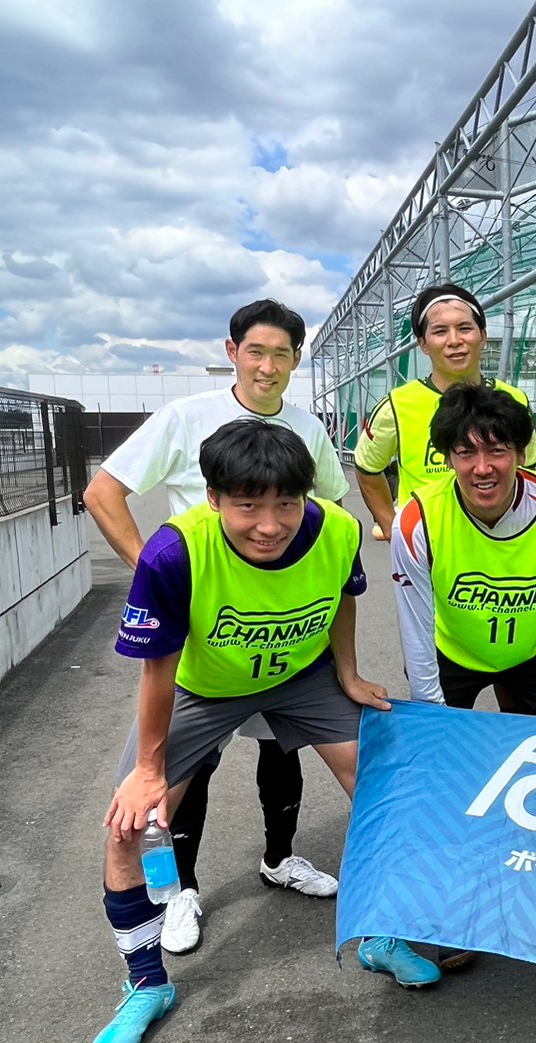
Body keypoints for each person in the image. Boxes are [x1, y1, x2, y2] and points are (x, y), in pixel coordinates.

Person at [87, 420, 431, 1043]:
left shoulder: (338, 528)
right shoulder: (173, 553)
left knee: (389, 787)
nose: (269, 525)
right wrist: (149, 770)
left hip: (300, 675)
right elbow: (157, 668)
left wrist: (349, 672)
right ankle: (146, 985)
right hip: (204, 686)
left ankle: (382, 933)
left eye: (285, 504)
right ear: (213, 498)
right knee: (129, 829)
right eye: (247, 505)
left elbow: (343, 597)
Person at [83, 299, 348, 958]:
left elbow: (331, 523)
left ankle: (280, 858)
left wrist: (339, 659)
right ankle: (183, 890)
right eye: (255, 351)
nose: (267, 366)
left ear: (296, 359)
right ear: (232, 352)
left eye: (281, 353)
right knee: (188, 772)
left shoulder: (307, 429)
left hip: (282, 631)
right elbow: (102, 492)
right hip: (208, 637)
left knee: (282, 752)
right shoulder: (186, 418)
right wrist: (155, 576)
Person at [391, 384, 536, 720]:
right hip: (452, 653)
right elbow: (416, 626)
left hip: (530, 653)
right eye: (466, 452)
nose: (482, 468)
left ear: (521, 454)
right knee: (437, 742)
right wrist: (429, 709)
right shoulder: (416, 521)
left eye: (497, 450)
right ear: (448, 458)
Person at [354, 283, 536, 540]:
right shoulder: (397, 405)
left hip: (506, 542)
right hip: (428, 545)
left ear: (483, 336)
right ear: (423, 344)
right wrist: (393, 529)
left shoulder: (514, 400)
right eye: (440, 331)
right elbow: (367, 467)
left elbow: (529, 471)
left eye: (464, 328)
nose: (454, 341)